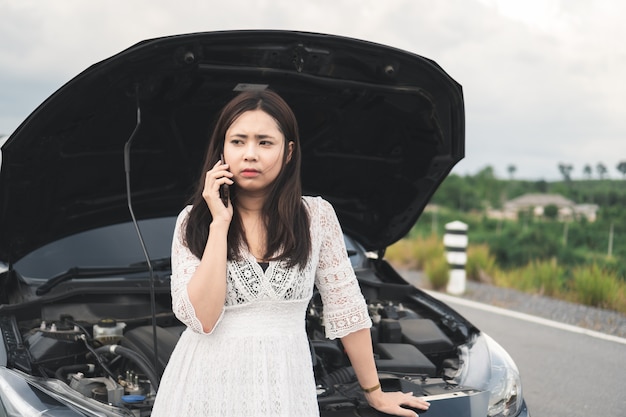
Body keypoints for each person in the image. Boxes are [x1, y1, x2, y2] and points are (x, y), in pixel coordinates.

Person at [151, 89, 430, 417]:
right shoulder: (193, 221)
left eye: (265, 142)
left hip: (286, 389)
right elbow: (203, 319)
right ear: (222, 150)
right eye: (238, 141)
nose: (250, 154)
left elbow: (348, 311)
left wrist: (376, 394)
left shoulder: (317, 217)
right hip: (202, 390)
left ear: (288, 152)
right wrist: (219, 223)